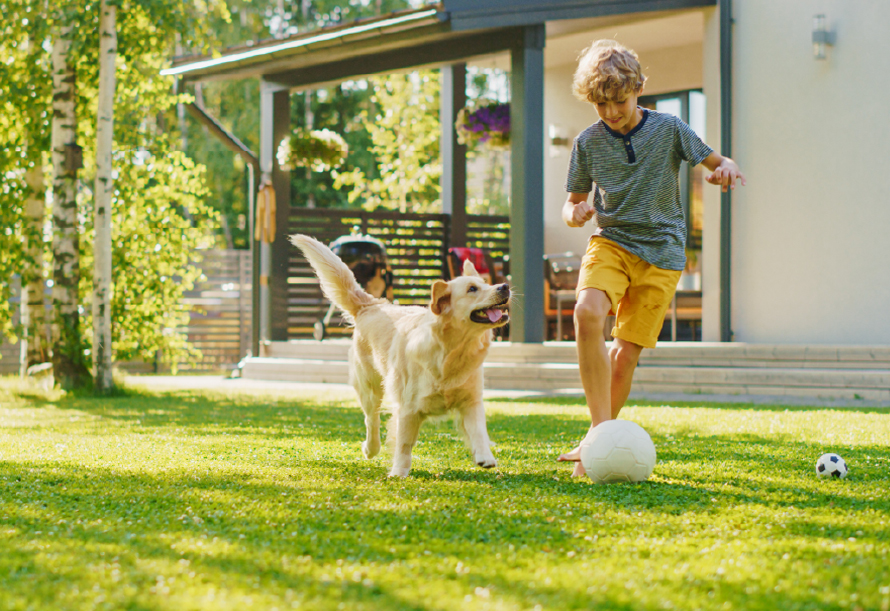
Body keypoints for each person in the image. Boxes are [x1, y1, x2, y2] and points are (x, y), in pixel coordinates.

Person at [557, 40, 746, 477]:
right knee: (587, 312)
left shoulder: (670, 128)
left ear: (638, 89)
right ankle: (600, 437)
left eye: (618, 101)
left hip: (662, 252)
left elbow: (719, 161)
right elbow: (571, 206)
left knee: (625, 355)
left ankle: (593, 440)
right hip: (613, 242)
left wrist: (726, 171)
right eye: (600, 104)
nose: (610, 112)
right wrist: (577, 212)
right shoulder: (587, 143)